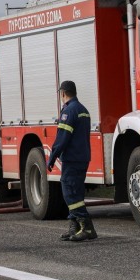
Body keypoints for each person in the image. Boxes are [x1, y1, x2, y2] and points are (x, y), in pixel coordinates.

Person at [47, 80, 96, 241]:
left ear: (63, 93)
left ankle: (87, 227)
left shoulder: (68, 111)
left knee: (69, 192)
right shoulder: (83, 110)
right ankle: (75, 227)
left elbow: (62, 138)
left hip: (72, 158)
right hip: (82, 157)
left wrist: (52, 157)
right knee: (77, 191)